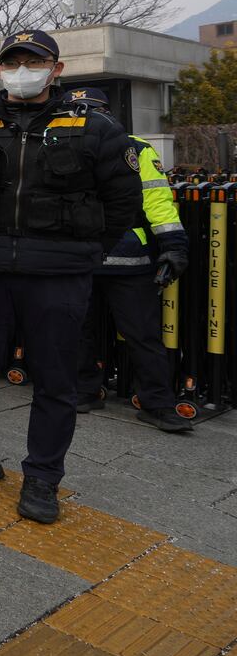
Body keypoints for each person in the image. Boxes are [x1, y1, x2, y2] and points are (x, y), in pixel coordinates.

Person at [0, 31, 140, 523]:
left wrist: (84, 253)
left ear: (56, 69)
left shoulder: (95, 128)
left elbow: (123, 203)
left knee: (54, 378)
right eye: (13, 61)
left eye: (33, 60)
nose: (23, 68)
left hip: (57, 273)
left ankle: (43, 477)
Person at [66, 87, 192, 432]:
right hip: (78, 258)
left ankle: (158, 404)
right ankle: (84, 391)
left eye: (92, 109)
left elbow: (158, 201)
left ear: (109, 112)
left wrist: (174, 245)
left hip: (129, 261)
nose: (86, 115)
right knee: (76, 331)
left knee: (142, 335)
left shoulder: (135, 148)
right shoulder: (56, 144)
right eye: (78, 109)